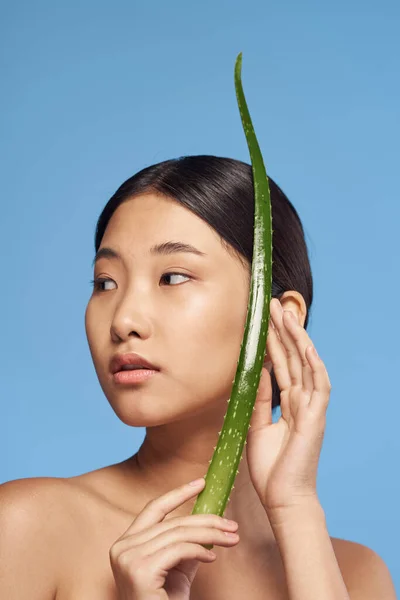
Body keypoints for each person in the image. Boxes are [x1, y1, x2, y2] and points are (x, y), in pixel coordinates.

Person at [0, 155, 396, 599]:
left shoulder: (356, 576)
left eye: (172, 277)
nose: (124, 319)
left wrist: (296, 508)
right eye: (105, 282)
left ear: (278, 321)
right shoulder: (27, 528)